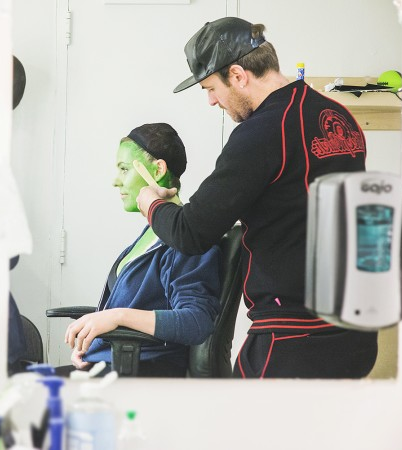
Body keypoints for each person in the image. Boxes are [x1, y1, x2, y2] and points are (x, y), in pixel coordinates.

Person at [136, 17, 378, 378]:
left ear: (237, 75)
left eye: (210, 88)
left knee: (240, 432)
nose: (211, 101)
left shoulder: (263, 132)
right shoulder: (337, 115)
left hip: (294, 337)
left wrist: (152, 204)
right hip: (356, 334)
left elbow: (191, 233)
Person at [63, 123, 222, 377]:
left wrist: (118, 317)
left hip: (140, 375)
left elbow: (196, 321)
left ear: (158, 169)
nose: (116, 181)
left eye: (124, 169)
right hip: (105, 366)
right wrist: (91, 340)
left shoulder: (187, 241)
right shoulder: (150, 235)